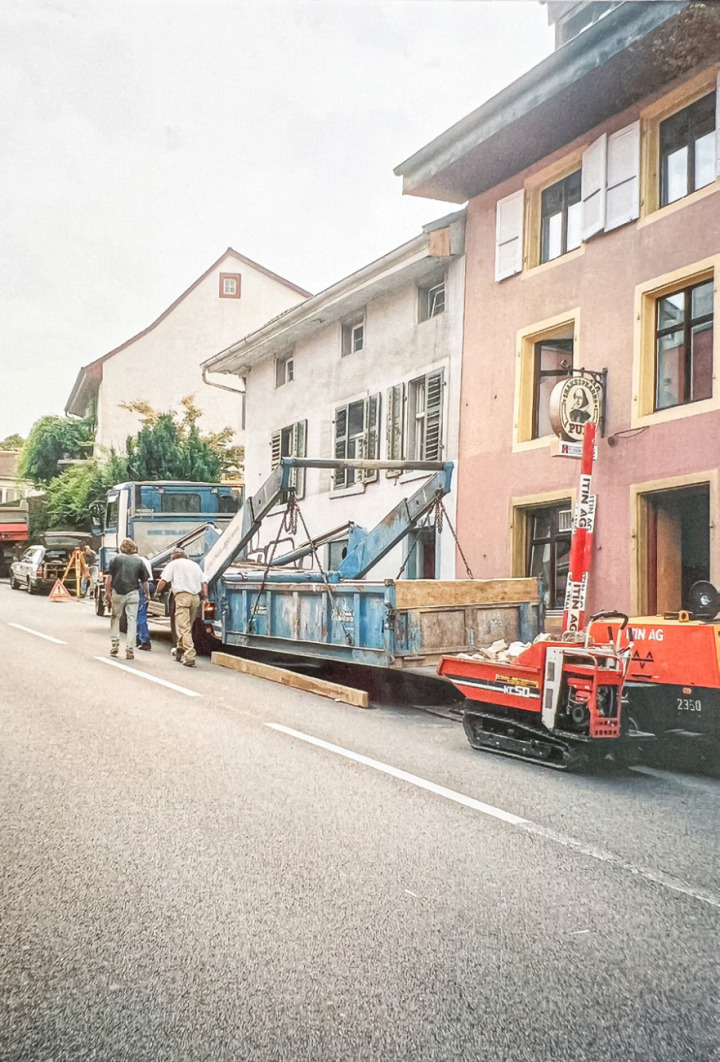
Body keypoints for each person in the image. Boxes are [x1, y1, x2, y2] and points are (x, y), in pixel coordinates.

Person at [154, 548, 208, 668]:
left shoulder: (172, 564)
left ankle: (189, 655)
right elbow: (204, 582)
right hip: (195, 598)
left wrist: (157, 592)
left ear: (173, 557)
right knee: (188, 626)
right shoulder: (195, 565)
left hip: (182, 597)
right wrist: (206, 597)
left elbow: (163, 581)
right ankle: (179, 649)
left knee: (183, 627)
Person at [105, 538, 150, 661]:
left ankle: (115, 644)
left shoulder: (115, 559)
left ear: (122, 548)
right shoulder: (139, 561)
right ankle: (130, 648)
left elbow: (109, 578)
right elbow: (144, 581)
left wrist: (107, 592)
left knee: (115, 617)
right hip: (133, 592)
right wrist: (147, 594)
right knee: (132, 620)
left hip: (118, 592)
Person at [136, 553, 154, 651]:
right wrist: (148, 595)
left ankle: (143, 639)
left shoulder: (134, 561)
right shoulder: (145, 560)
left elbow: (143, 580)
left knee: (136, 615)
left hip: (138, 586)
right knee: (141, 614)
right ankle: (142, 639)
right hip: (148, 584)